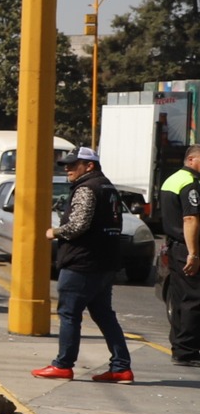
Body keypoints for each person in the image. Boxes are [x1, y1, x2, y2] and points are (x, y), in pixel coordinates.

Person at [33, 147, 132, 382]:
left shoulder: (87, 188)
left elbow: (78, 225)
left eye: (73, 164)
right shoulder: (108, 187)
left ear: (89, 166)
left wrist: (54, 232)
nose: (67, 169)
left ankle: (63, 365)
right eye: (66, 164)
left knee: (69, 314)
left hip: (82, 263)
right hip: (105, 262)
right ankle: (121, 367)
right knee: (104, 315)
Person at [159, 143, 200, 365]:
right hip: (187, 247)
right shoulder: (190, 183)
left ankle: (179, 347)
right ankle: (188, 351)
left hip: (175, 246)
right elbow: (190, 219)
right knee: (194, 299)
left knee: (179, 297)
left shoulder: (172, 180)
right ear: (192, 160)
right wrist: (194, 253)